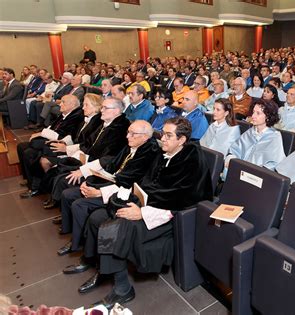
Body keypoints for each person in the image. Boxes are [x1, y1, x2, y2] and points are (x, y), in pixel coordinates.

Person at [81, 117, 213, 309]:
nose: (163, 139)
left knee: (115, 228)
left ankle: (123, 289)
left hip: (169, 216)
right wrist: (133, 202)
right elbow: (146, 184)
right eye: (163, 134)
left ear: (182, 140)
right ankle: (103, 269)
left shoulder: (193, 161)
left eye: (169, 136)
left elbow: (185, 200)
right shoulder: (163, 153)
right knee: (96, 218)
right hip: (146, 205)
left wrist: (143, 213)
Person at [57, 121, 158, 258]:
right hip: (112, 183)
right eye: (128, 132)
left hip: (124, 193)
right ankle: (75, 235)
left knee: (79, 204)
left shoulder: (149, 152)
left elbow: (129, 183)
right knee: (69, 194)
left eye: (133, 134)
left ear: (145, 137)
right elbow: (112, 167)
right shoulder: (132, 145)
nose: (128, 136)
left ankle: (79, 244)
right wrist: (90, 181)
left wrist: (100, 192)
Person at [17, 95, 84, 198]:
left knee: (30, 153)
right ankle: (29, 179)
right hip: (51, 139)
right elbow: (52, 126)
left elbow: (65, 137)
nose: (60, 104)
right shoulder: (65, 113)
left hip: (61, 144)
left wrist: (42, 133)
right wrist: (41, 133)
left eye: (63, 102)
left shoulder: (77, 116)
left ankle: (36, 187)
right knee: (21, 147)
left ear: (72, 105)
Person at [226, 99, 286, 173]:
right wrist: (230, 158)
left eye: (258, 113)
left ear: (268, 116)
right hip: (240, 171)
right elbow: (235, 149)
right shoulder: (250, 132)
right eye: (253, 112)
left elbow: (274, 163)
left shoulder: (274, 136)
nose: (253, 116)